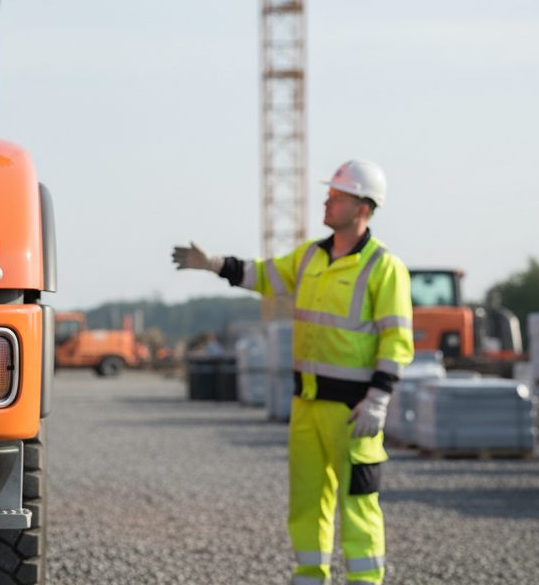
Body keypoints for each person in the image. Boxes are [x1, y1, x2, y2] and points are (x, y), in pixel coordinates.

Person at [172, 159, 413, 584]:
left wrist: (379, 397)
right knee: (306, 501)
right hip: (307, 403)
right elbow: (263, 275)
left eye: (337, 197)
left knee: (358, 502)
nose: (327, 201)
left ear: (363, 208)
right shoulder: (310, 256)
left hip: (354, 409)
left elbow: (397, 340)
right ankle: (309, 577)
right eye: (329, 194)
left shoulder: (383, 267)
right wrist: (214, 263)